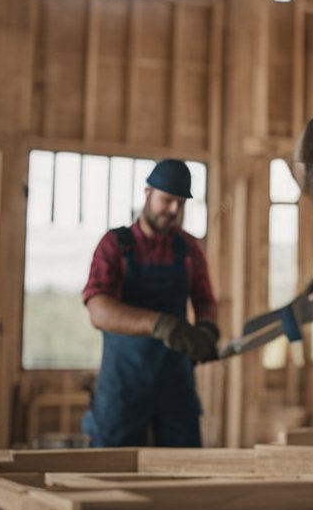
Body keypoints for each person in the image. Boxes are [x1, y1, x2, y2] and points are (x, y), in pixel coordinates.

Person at [81, 159, 219, 447]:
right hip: (123, 384)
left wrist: (207, 329)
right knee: (111, 474)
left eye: (180, 204)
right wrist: (159, 324)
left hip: (175, 383)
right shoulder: (115, 244)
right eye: (166, 200)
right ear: (147, 194)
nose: (173, 210)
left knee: (183, 471)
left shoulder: (189, 249)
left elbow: (205, 299)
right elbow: (98, 308)